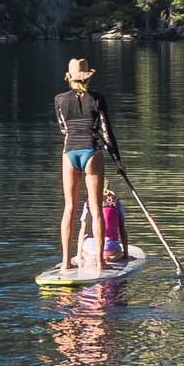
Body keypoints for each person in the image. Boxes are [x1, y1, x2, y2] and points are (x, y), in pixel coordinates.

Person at [53, 56, 121, 274]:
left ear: (69, 78)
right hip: (91, 151)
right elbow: (106, 131)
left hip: (69, 153)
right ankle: (101, 263)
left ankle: (65, 262)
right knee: (96, 209)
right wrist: (118, 161)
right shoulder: (97, 99)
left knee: (69, 208)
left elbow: (63, 129)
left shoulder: (59, 100)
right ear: (87, 77)